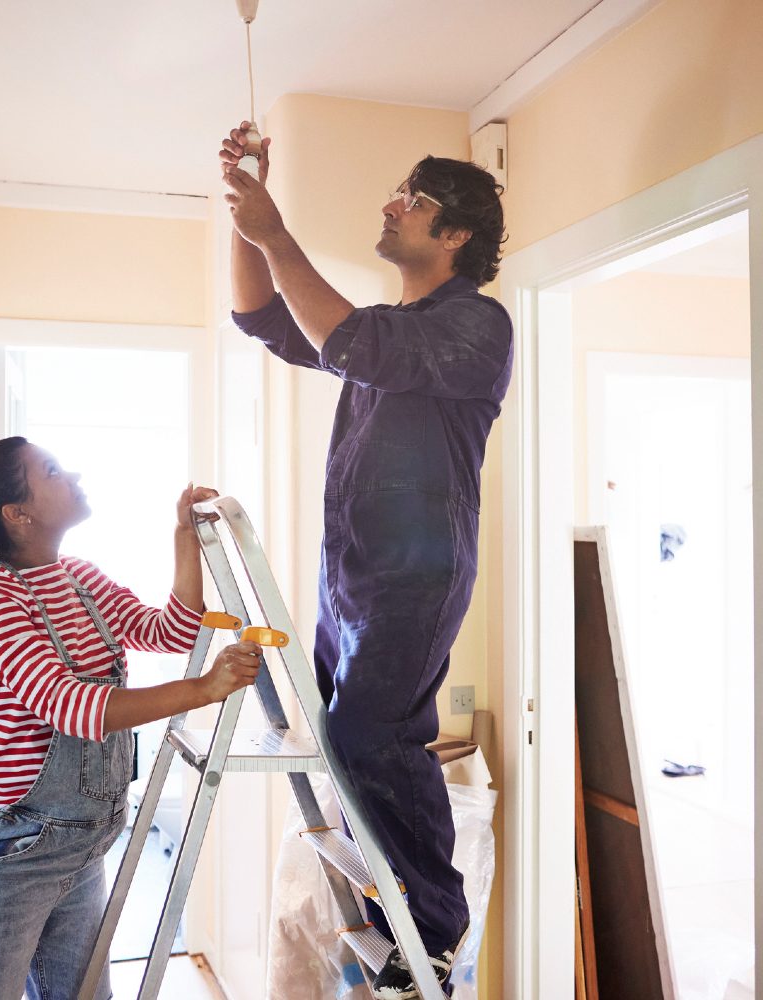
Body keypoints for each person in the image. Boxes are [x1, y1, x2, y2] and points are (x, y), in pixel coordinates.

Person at [219, 123, 512, 999]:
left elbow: (349, 341)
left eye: (413, 197)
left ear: (455, 233)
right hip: (351, 579)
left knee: (371, 736)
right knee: (344, 745)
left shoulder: (475, 325)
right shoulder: (396, 325)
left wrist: (275, 230)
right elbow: (263, 318)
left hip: (414, 578)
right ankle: (395, 923)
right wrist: (245, 214)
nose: (393, 204)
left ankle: (432, 935)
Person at [0, 436, 261, 1000]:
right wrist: (204, 690)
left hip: (77, 846)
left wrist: (184, 537)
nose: (72, 473)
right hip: (3, 855)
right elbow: (71, 706)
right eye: (52, 471)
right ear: (18, 513)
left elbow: (169, 630)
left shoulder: (77, 577)